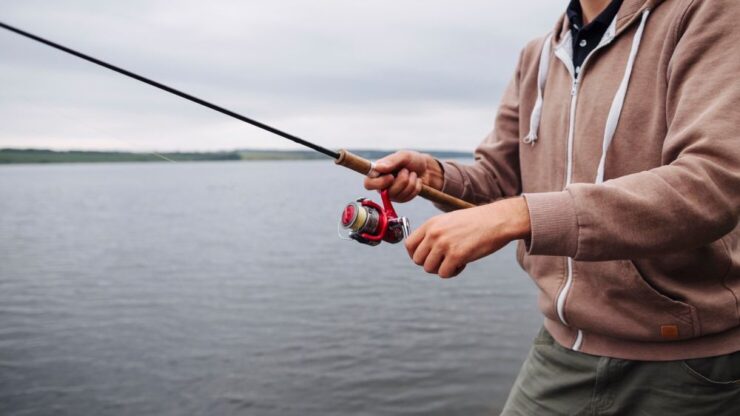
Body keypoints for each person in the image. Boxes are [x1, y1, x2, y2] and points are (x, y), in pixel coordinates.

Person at [364, 0, 740, 413]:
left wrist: (521, 216)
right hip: (562, 348)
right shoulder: (537, 55)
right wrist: (437, 178)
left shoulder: (710, 11)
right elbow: (497, 182)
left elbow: (713, 183)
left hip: (690, 364)